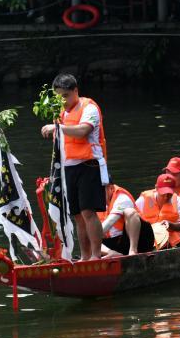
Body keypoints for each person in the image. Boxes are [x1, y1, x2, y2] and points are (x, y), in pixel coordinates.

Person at [40, 74, 107, 261]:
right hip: (68, 168)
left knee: (88, 212)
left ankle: (96, 256)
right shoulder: (60, 112)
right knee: (77, 215)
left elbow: (83, 131)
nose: (63, 100)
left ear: (76, 91)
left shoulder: (89, 108)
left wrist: (57, 128)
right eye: (59, 96)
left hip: (89, 165)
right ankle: (85, 257)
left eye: (66, 95)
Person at [98, 183, 154, 257]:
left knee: (130, 212)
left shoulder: (122, 198)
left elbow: (108, 223)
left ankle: (133, 251)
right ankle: (111, 253)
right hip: (116, 243)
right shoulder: (95, 202)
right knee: (88, 233)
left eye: (99, 190)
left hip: (141, 240)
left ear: (110, 188)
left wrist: (93, 236)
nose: (96, 194)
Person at [137, 173, 180, 249]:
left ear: (174, 190)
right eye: (163, 193)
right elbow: (133, 222)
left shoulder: (178, 201)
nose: (166, 197)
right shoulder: (142, 201)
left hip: (171, 243)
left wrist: (169, 224)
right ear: (156, 188)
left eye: (169, 194)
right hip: (148, 240)